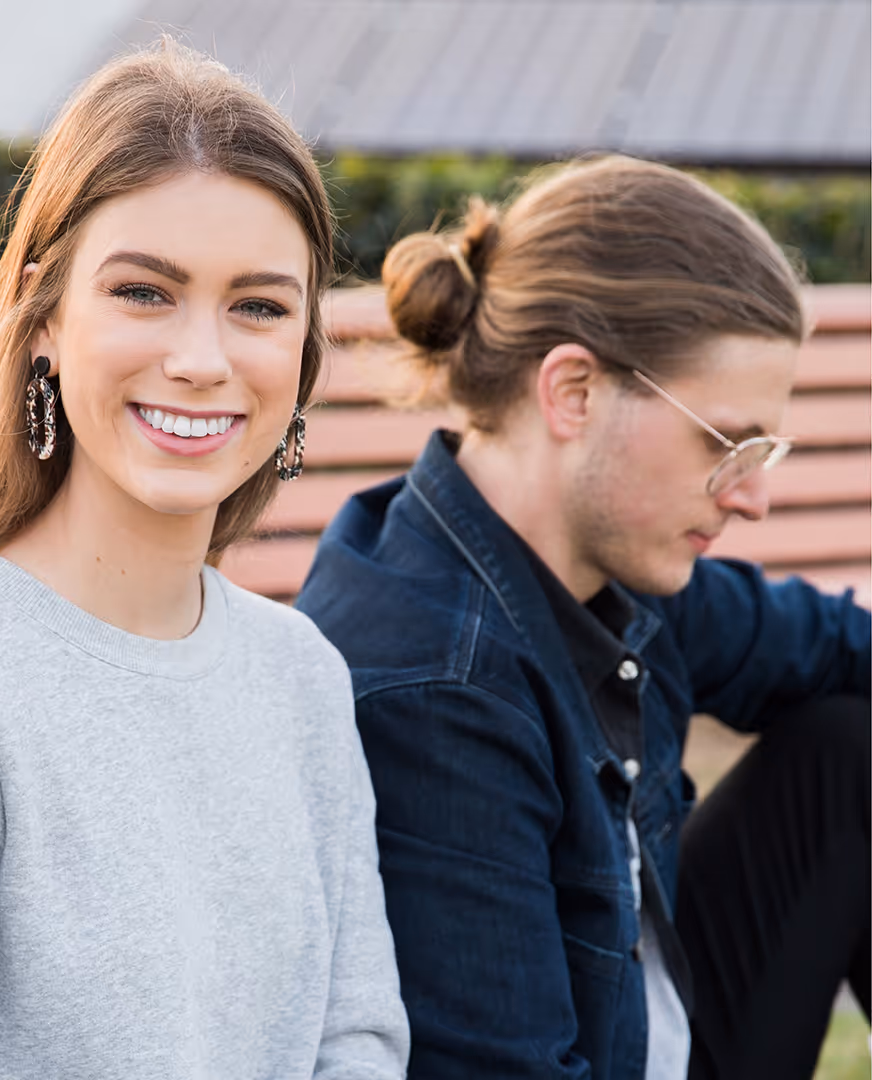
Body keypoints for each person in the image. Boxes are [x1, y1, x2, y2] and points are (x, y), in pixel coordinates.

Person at [0, 41, 409, 1079]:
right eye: (144, 292)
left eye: (260, 306)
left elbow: (359, 1043)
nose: (202, 359)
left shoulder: (303, 675)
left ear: (305, 354)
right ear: (45, 318)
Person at [295, 156, 870, 1080]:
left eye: (764, 450)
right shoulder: (438, 689)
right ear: (573, 392)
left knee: (851, 754)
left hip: (655, 1035)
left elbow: (836, 645)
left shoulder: (614, 562)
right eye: (727, 443)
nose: (753, 497)